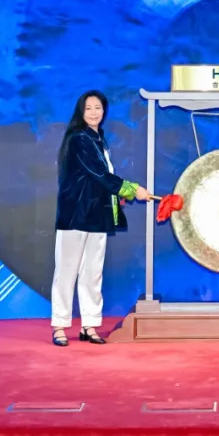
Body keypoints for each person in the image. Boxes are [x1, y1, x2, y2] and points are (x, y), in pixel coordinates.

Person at [51, 90, 150, 347]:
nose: (94, 112)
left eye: (98, 107)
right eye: (89, 108)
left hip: (97, 214)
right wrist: (132, 190)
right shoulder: (79, 139)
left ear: (104, 110)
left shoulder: (98, 139)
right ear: (81, 112)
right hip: (75, 215)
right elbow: (100, 175)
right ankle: (59, 326)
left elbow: (101, 180)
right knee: (66, 271)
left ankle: (89, 325)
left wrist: (118, 197)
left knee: (92, 273)